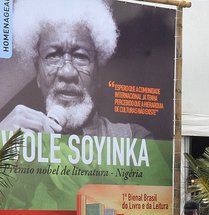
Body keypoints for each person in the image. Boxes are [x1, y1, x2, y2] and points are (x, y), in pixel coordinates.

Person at [1, 0, 150, 138]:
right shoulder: (11, 133)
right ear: (38, 74)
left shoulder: (134, 138)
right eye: (53, 55)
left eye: (80, 56)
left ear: (98, 74)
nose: (67, 72)